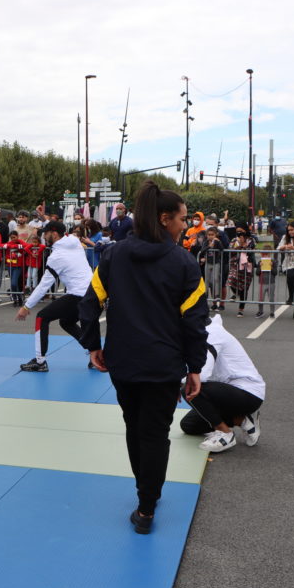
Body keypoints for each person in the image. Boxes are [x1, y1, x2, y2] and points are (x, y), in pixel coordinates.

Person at [79, 180, 209, 535]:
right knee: (154, 433)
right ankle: (147, 504)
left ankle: (145, 492)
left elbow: (89, 303)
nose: (185, 225)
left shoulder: (113, 254)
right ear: (165, 218)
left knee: (135, 428)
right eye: (182, 219)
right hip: (163, 365)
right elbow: (195, 322)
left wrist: (93, 345)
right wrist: (195, 367)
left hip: (122, 361)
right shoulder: (184, 262)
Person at [180, 315, 265, 452]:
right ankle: (243, 419)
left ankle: (225, 434)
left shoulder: (211, 335)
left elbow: (201, 374)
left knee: (189, 389)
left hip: (248, 393)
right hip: (226, 392)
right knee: (189, 425)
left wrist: (173, 383)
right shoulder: (197, 334)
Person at [16, 221, 94, 372]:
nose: (44, 236)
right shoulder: (74, 241)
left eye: (46, 233)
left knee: (41, 317)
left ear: (55, 233)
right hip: (90, 294)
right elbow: (71, 236)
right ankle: (94, 353)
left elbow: (43, 286)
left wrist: (26, 306)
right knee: (66, 322)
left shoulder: (57, 256)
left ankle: (40, 362)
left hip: (78, 294)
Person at [226, 228, 256, 317]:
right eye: (238, 231)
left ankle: (241, 309)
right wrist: (240, 246)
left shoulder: (251, 240)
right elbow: (230, 250)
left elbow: (252, 249)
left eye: (241, 231)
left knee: (244, 288)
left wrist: (244, 245)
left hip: (247, 266)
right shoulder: (234, 240)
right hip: (235, 264)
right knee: (231, 281)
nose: (240, 233)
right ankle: (236, 293)